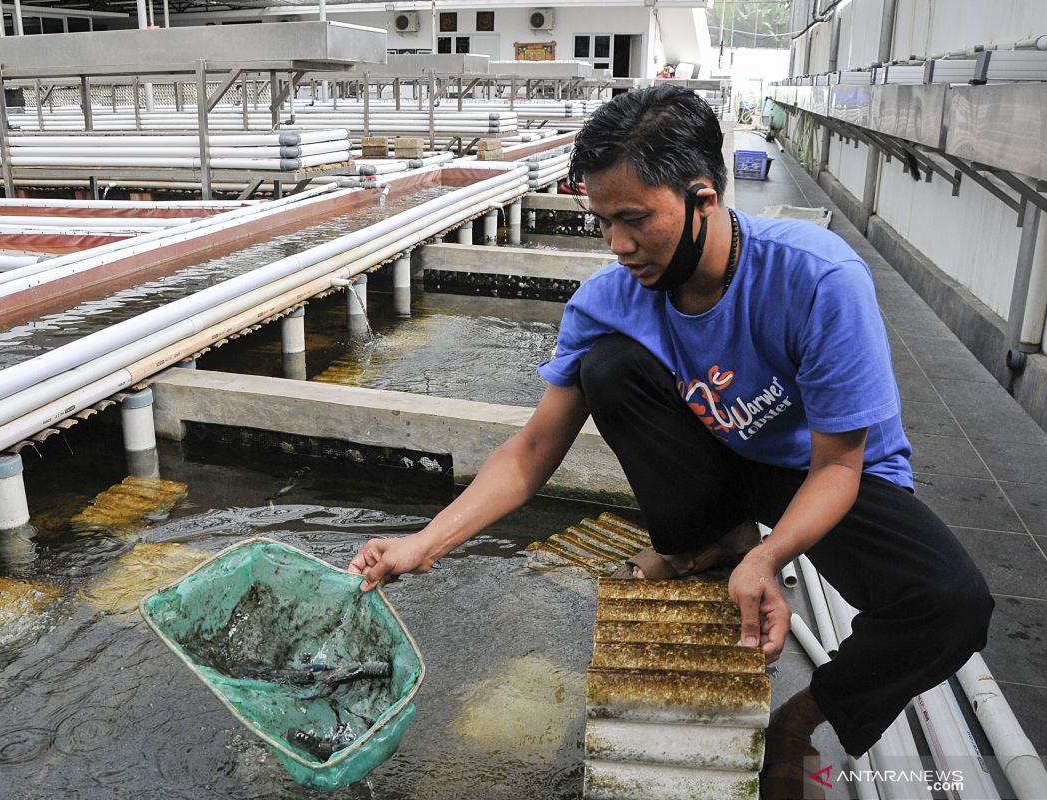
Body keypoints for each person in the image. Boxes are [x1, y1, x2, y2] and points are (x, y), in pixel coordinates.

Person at [348, 86, 993, 798]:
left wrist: (776, 558)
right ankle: (711, 540)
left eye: (634, 220)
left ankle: (804, 719)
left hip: (820, 470)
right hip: (720, 459)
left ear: (704, 199)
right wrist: (424, 543)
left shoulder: (818, 278)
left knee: (953, 602)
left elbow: (840, 464)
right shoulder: (609, 299)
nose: (618, 247)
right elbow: (532, 451)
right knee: (608, 367)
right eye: (601, 222)